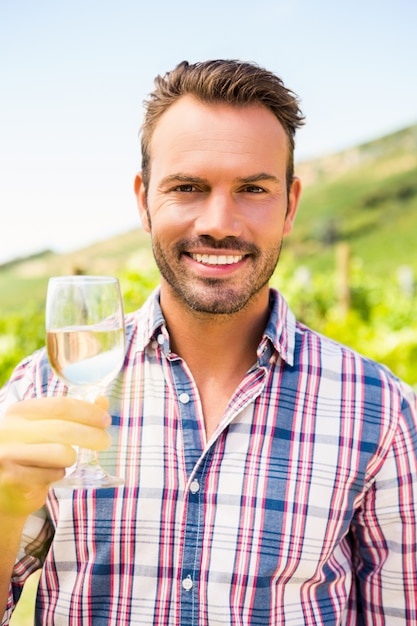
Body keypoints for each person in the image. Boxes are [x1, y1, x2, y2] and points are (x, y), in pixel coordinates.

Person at [1, 59, 417, 625]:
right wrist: (4, 506)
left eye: (252, 188)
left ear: (291, 204)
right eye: (188, 187)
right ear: (144, 199)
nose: (219, 222)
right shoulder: (39, 389)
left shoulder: (383, 411)